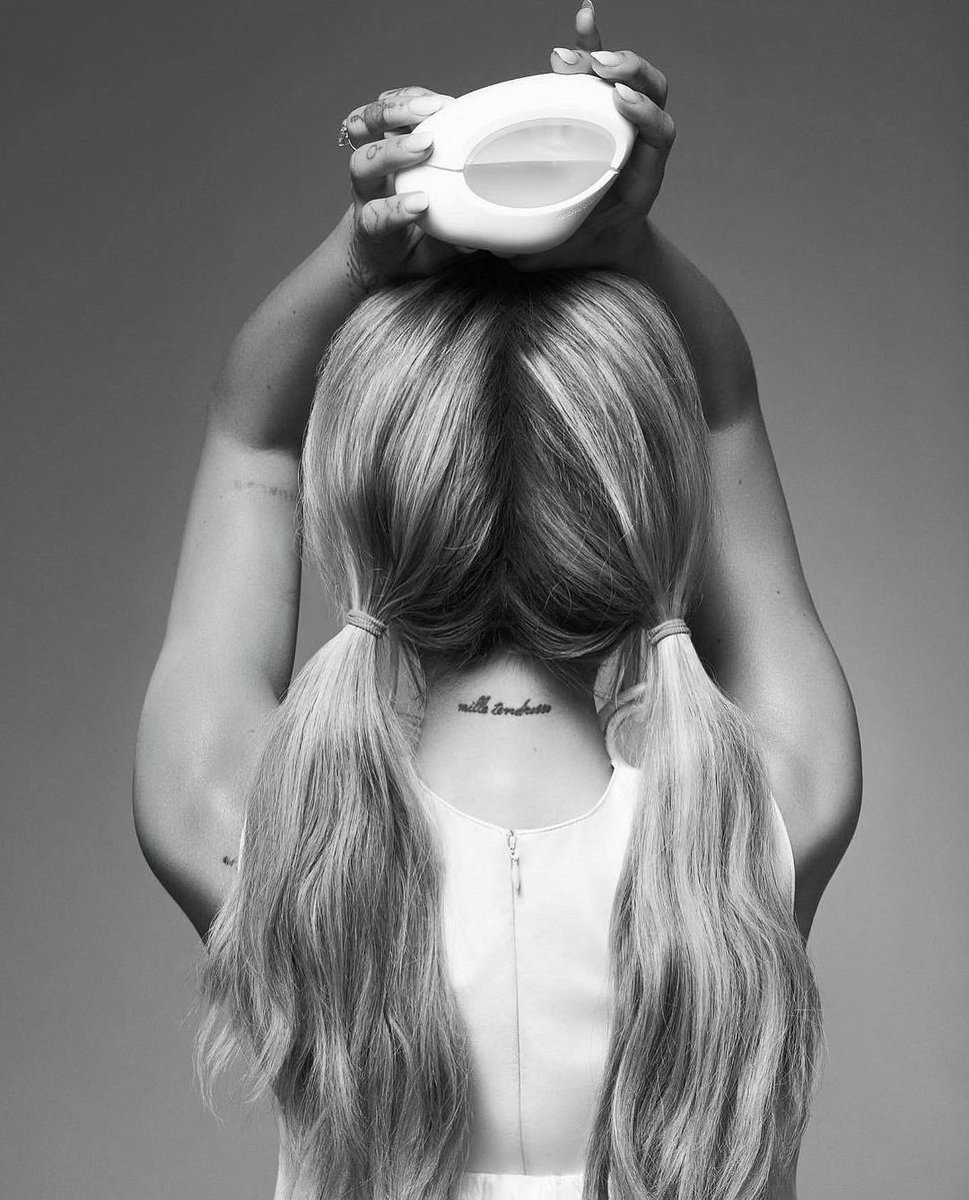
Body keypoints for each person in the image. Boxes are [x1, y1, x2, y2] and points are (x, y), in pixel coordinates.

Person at [133, 5, 861, 1199]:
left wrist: (360, 252)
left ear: (365, 506)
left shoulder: (257, 839)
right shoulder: (763, 830)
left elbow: (248, 435)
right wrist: (632, 244)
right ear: (653, 508)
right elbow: (726, 404)